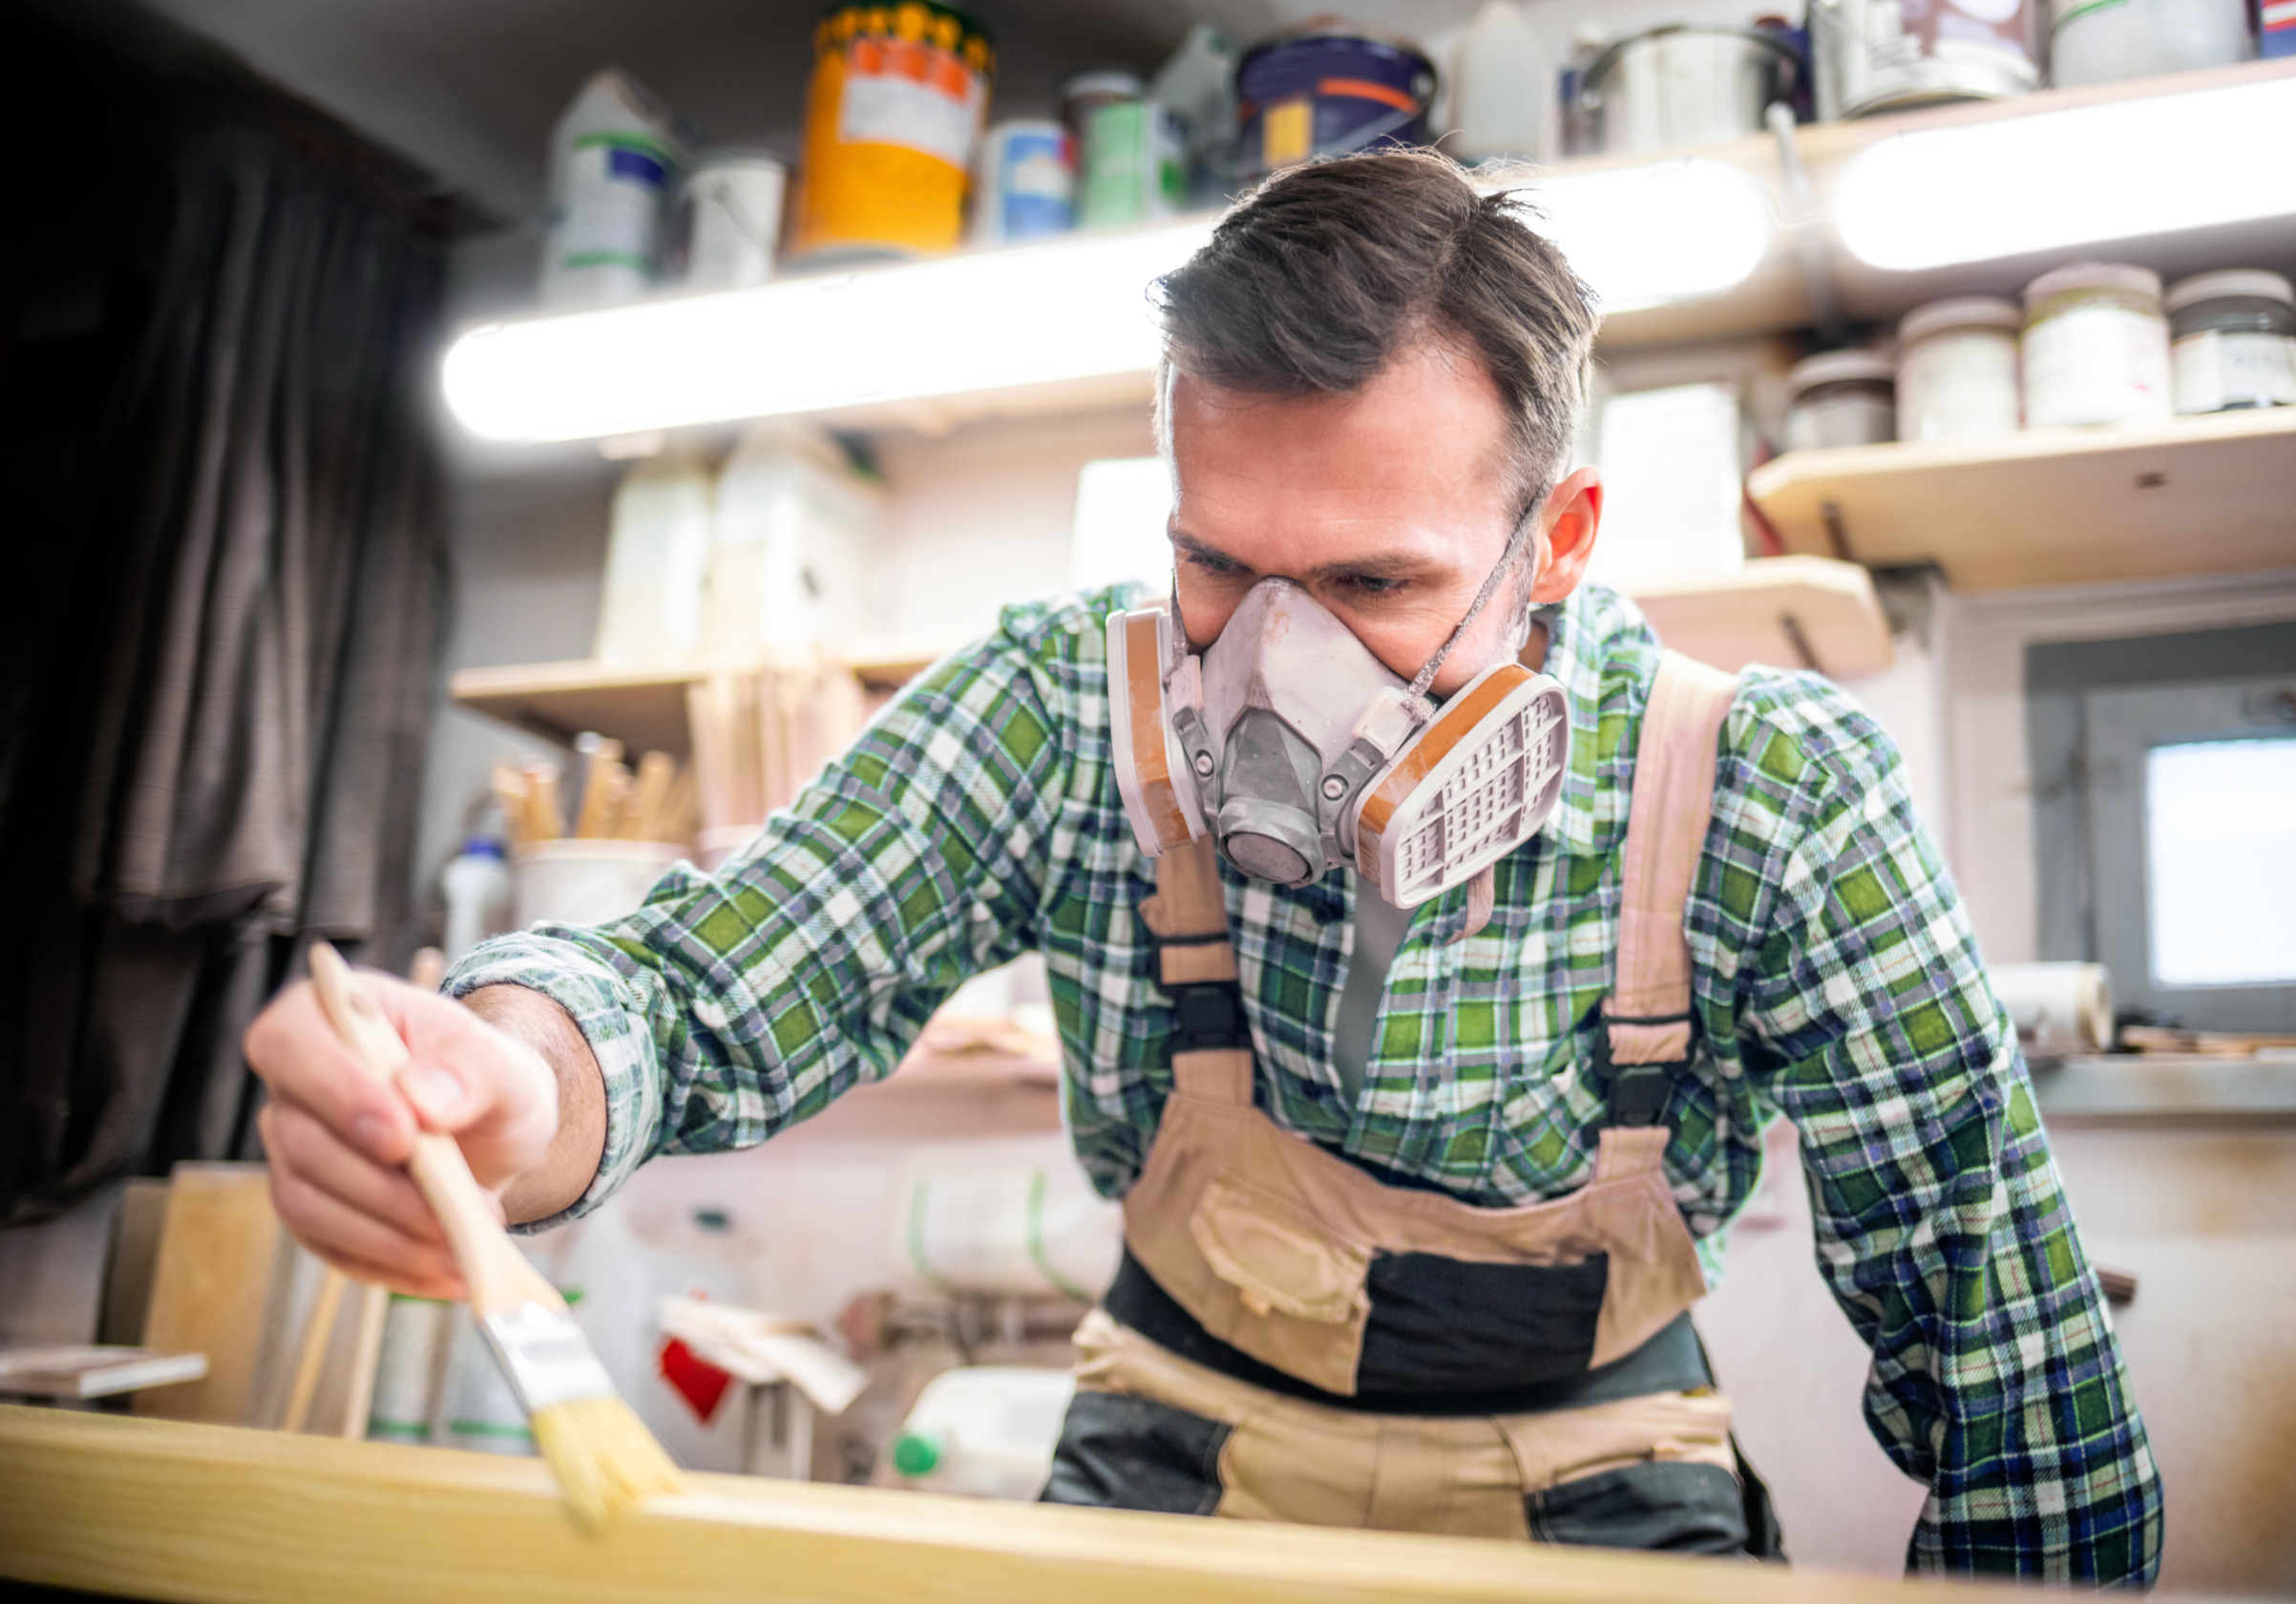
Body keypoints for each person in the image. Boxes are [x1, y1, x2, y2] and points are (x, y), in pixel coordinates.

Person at [245, 150, 2159, 1579]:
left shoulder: (1765, 797)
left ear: (1554, 536)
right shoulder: (1070, 708)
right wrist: (516, 1079)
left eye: (1373, 582)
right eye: (1215, 563)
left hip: (1592, 1468)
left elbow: (2006, 1359)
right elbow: (692, 988)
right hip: (1176, 1435)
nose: (1265, 664)